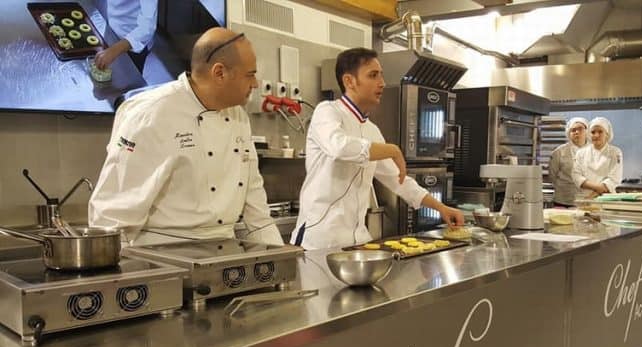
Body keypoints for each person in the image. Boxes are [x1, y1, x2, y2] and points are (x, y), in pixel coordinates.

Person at [89, 28, 282, 246]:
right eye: (250, 74)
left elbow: (256, 206)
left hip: (224, 253)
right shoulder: (151, 114)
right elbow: (114, 215)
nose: (255, 83)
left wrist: (279, 255)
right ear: (219, 73)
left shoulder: (238, 116)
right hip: (162, 256)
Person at [290, 47, 464, 250]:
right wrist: (393, 150)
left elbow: (398, 180)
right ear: (349, 81)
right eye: (373, 75)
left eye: (381, 75)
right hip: (319, 241)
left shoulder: (371, 130)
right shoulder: (327, 111)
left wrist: (441, 208)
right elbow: (339, 147)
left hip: (356, 242)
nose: (382, 83)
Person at [94, 0, 158, 73]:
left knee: (129, 77)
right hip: (111, 32)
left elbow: (147, 27)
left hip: (133, 44)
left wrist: (113, 50)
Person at [572, 117, 623, 200]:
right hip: (584, 197)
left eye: (600, 132)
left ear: (607, 134)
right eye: (593, 132)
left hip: (606, 198)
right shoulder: (581, 153)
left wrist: (593, 195)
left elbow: (614, 179)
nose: (596, 135)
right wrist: (597, 188)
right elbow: (576, 176)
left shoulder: (615, 152)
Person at [549, 117, 588, 206]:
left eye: (580, 129)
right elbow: (552, 175)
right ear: (568, 133)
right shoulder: (559, 152)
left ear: (587, 131)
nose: (576, 132)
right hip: (563, 200)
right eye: (573, 130)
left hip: (588, 199)